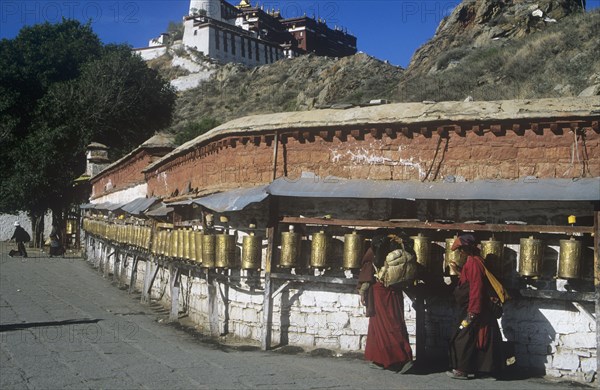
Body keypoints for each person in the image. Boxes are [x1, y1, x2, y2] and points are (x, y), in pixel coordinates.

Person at [448, 234, 504, 380]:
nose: (460, 252)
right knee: (477, 338)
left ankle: (462, 370)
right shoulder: (476, 261)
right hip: (478, 307)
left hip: (475, 308)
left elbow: (476, 288)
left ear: (467, 249)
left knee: (463, 336)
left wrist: (473, 311)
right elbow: (472, 280)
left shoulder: (473, 262)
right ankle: (483, 370)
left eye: (461, 249)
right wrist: (460, 271)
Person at [357, 232, 414, 374]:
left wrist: (363, 290)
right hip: (395, 289)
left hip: (380, 291)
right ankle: (379, 359)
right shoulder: (400, 246)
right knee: (392, 322)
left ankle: (402, 359)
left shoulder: (374, 249)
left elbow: (367, 269)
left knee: (385, 324)